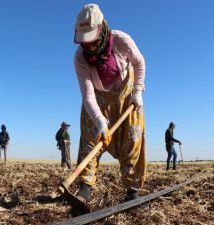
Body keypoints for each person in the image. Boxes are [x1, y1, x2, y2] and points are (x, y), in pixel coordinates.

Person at [73, 3, 146, 204]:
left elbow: (139, 63)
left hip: (127, 96)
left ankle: (132, 192)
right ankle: (84, 190)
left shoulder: (122, 41)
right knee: (90, 137)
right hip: (98, 100)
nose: (88, 46)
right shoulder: (80, 58)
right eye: (84, 42)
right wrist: (100, 122)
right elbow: (87, 96)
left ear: (102, 29)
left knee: (132, 138)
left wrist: (138, 91)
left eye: (91, 40)